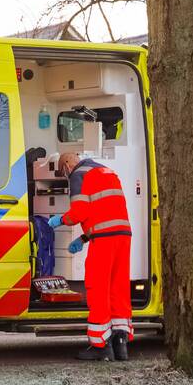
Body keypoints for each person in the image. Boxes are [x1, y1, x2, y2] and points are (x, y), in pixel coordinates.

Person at [48, 151, 133, 361]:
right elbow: (105, 213)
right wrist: (84, 239)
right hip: (122, 236)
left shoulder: (79, 175)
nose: (66, 175)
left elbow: (79, 212)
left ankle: (100, 345)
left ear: (68, 165)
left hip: (104, 240)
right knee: (118, 287)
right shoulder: (107, 172)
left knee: (98, 287)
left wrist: (60, 220)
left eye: (63, 172)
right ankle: (120, 344)